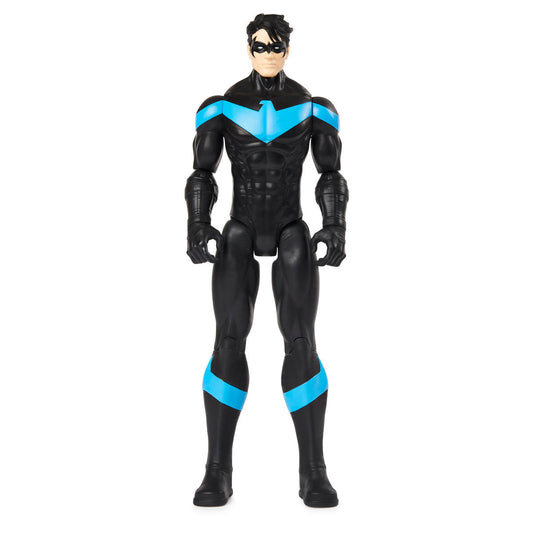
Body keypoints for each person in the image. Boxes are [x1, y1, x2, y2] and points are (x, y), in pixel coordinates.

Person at [185, 13, 349, 507]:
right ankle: (217, 470)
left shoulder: (313, 107)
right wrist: (197, 222)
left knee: (301, 342)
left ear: (287, 50)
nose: (269, 54)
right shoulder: (221, 106)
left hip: (291, 227)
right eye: (261, 46)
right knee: (227, 341)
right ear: (249, 49)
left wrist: (335, 223)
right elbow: (201, 173)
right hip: (238, 228)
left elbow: (330, 174)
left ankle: (313, 471)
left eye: (277, 47)